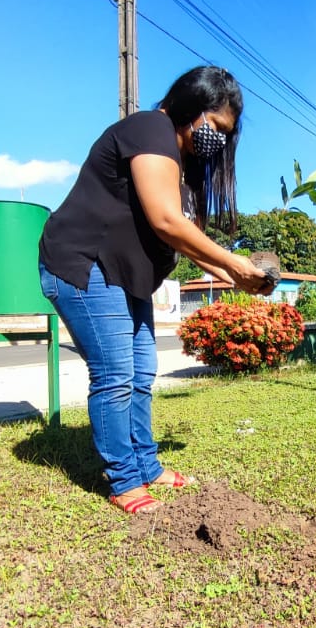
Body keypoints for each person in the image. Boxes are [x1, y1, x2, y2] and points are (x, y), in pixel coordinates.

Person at [39, 65, 274, 514]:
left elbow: (185, 241)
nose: (218, 139)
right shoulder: (150, 128)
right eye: (216, 126)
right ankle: (124, 480)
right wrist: (231, 262)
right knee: (115, 377)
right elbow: (166, 219)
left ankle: (146, 465)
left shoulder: (189, 168)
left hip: (128, 277)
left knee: (142, 374)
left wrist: (240, 278)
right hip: (86, 264)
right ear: (191, 106)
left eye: (227, 133)